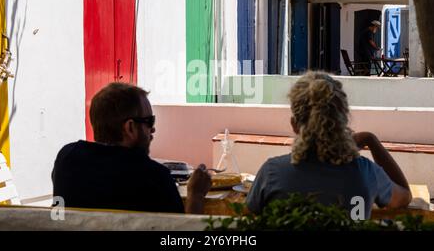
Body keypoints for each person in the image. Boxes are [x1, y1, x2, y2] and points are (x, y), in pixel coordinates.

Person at [246, 71, 412, 219]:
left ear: (294, 124)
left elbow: (248, 219)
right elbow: (404, 197)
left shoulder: (271, 173)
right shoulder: (366, 173)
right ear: (344, 121)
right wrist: (371, 140)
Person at [52, 83, 211, 214]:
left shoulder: (68, 158)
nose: (153, 129)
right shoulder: (154, 178)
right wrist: (196, 195)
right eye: (149, 121)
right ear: (130, 128)